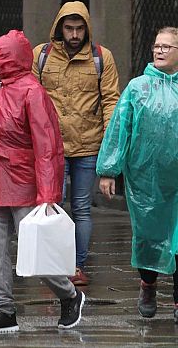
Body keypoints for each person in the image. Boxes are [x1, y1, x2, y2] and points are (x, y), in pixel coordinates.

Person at [0, 30, 86, 333]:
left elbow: (48, 146)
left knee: (36, 250)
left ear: (8, 60)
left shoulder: (32, 92)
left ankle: (70, 295)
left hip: (25, 183)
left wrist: (47, 194)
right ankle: (3, 310)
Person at [33, 1, 120, 285]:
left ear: (87, 29)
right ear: (59, 28)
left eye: (79, 28)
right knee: (52, 206)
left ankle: (77, 266)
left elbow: (110, 101)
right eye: (69, 28)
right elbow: (30, 96)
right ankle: (54, 270)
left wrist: (109, 144)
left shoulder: (101, 57)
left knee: (81, 208)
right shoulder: (41, 55)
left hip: (88, 146)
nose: (74, 34)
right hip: (52, 147)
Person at [96, 27, 178, 322]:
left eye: (167, 47)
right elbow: (120, 129)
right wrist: (108, 170)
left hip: (176, 180)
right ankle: (149, 284)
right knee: (147, 236)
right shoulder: (137, 88)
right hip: (145, 179)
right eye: (156, 46)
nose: (159, 51)